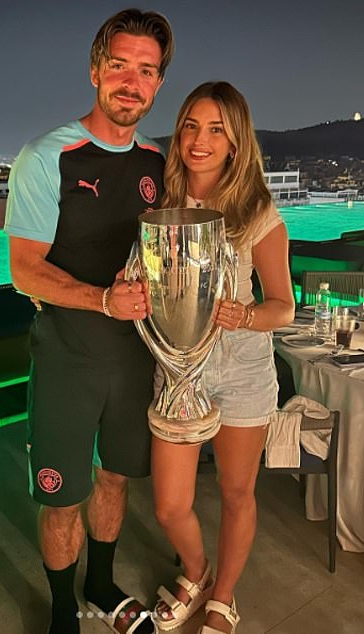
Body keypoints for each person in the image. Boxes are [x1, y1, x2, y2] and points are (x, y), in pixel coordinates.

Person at [4, 9, 174, 634]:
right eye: (120, 65)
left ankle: (101, 585)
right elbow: (25, 269)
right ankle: (61, 611)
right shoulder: (49, 156)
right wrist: (104, 300)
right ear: (96, 70)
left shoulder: (157, 163)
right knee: (62, 494)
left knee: (114, 477)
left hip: (135, 360)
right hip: (67, 358)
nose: (132, 82)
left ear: (158, 83)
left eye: (147, 70)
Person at [150, 82, 295, 634]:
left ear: (236, 141)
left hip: (242, 369)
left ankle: (223, 598)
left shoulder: (257, 213)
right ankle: (197, 571)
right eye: (191, 125)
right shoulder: (162, 206)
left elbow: (284, 307)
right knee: (169, 505)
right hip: (180, 371)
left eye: (216, 129)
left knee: (237, 493)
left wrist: (246, 315)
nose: (200, 140)